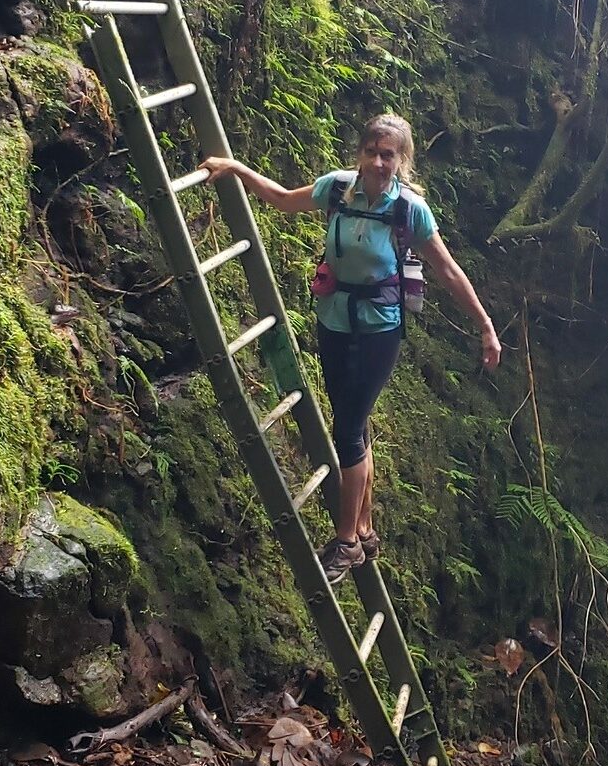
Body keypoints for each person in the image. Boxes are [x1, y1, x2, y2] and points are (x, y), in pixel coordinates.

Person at [202, 114, 501, 582]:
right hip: (334, 318)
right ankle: (363, 526)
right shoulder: (337, 189)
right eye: (372, 152)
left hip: (379, 328)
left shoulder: (409, 209)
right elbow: (282, 199)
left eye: (390, 155)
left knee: (348, 428)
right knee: (354, 427)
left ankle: (346, 544)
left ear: (402, 161)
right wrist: (237, 169)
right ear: (360, 153)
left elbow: (447, 270)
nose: (379, 162)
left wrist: (485, 325)